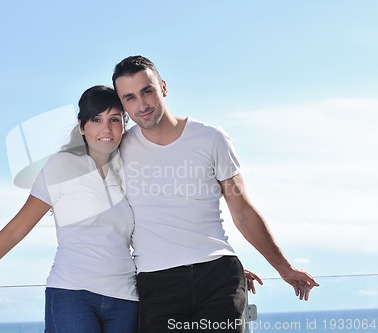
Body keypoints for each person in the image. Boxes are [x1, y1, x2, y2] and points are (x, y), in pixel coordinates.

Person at [111, 55, 320, 333]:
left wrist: (285, 268)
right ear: (123, 104)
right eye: (130, 98)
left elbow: (242, 210)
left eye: (147, 91)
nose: (142, 105)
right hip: (156, 284)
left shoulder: (211, 139)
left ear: (163, 87)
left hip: (217, 278)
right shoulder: (118, 150)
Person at [0, 85, 139, 333]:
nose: (106, 128)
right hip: (73, 294)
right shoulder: (62, 165)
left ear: (124, 126)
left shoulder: (130, 172)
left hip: (127, 299)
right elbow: (17, 229)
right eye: (96, 119)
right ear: (82, 126)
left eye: (114, 119)